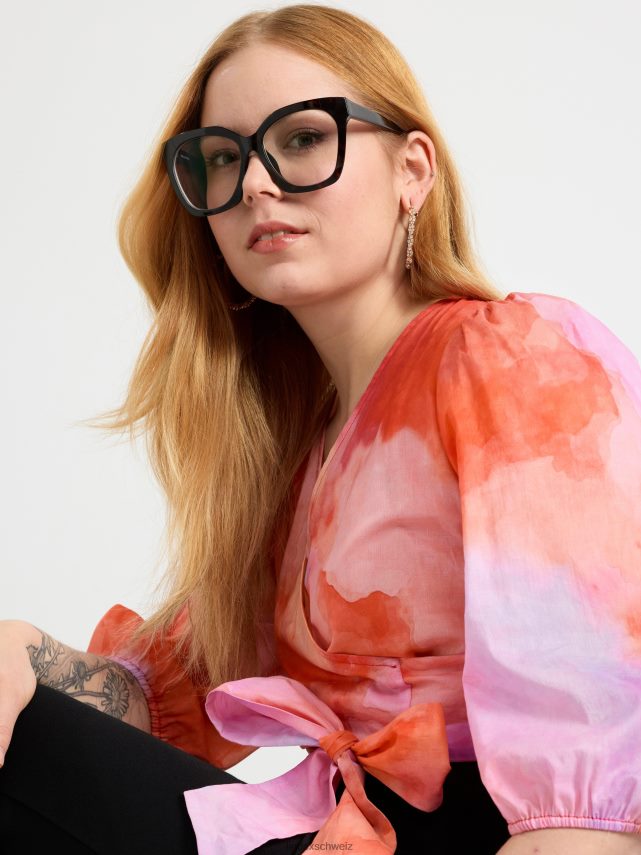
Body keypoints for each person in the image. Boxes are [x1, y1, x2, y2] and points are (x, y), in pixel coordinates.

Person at [1, 4, 640, 854]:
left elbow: (590, 770)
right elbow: (161, 703)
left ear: (412, 170)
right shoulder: (295, 462)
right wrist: (20, 647)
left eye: (301, 138)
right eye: (222, 157)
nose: (254, 184)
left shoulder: (511, 356)